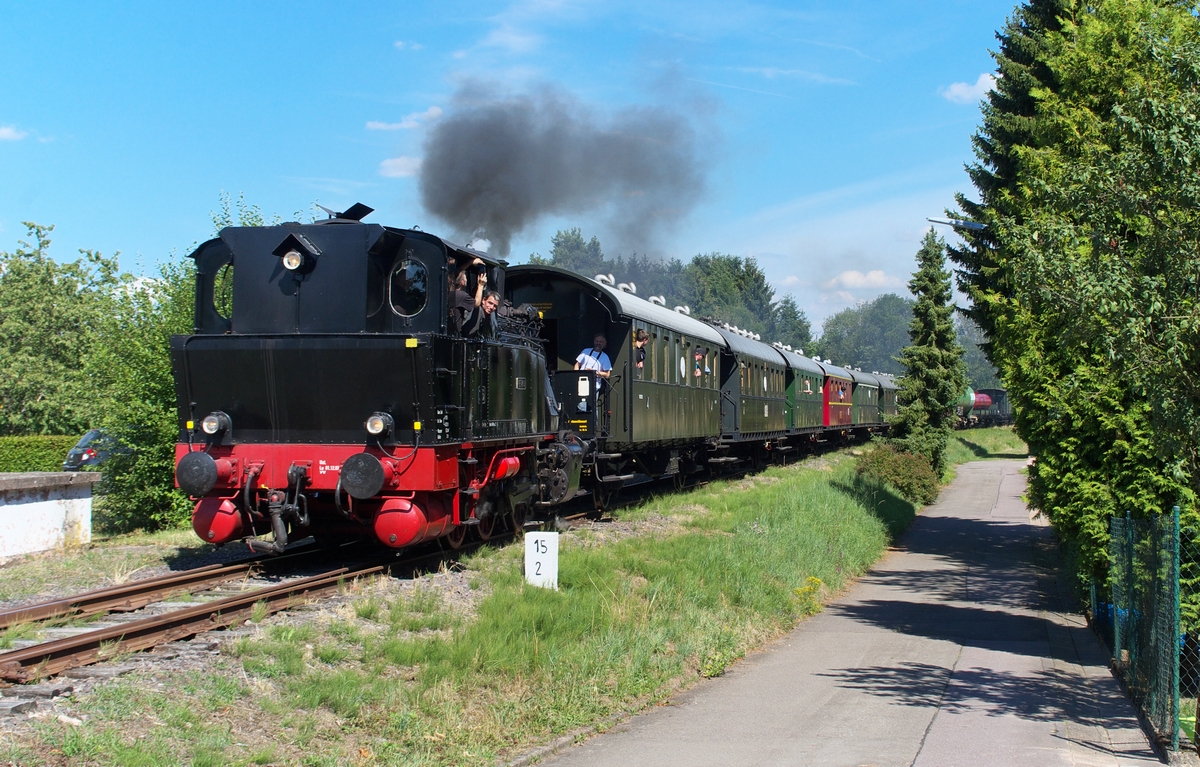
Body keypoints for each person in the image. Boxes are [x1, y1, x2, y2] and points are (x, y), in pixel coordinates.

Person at [449, 257, 485, 333]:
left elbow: (456, 273)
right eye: (465, 276)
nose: (466, 278)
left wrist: (471, 262)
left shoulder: (450, 292)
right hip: (455, 334)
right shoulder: (462, 295)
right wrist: (481, 285)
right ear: (462, 282)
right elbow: (477, 303)